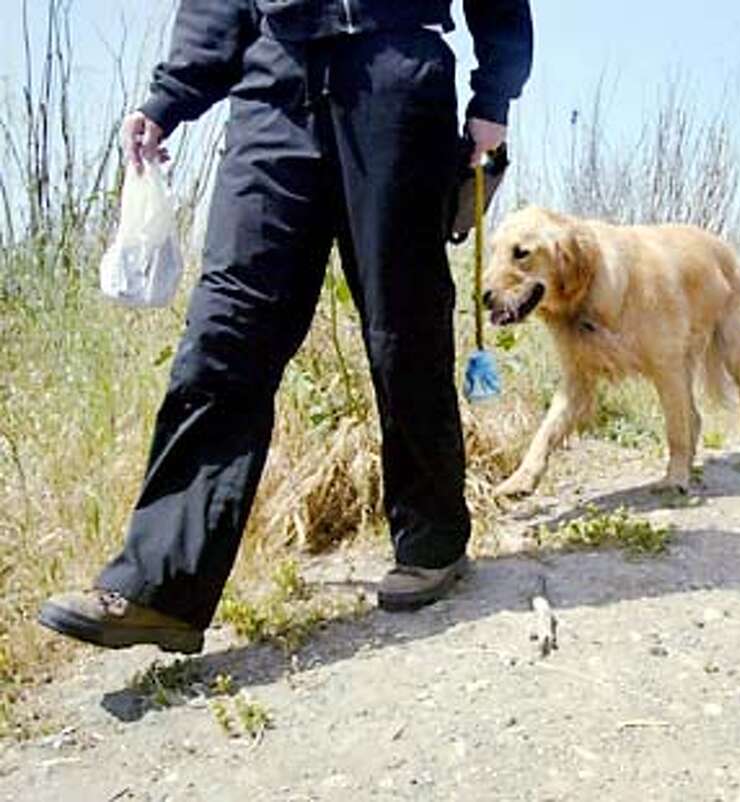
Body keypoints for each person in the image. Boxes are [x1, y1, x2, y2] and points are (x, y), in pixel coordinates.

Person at [37, 0, 533, 655]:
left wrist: (493, 92)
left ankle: (432, 541)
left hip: (395, 71)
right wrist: (167, 100)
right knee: (226, 331)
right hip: (272, 83)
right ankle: (160, 587)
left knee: (403, 327)